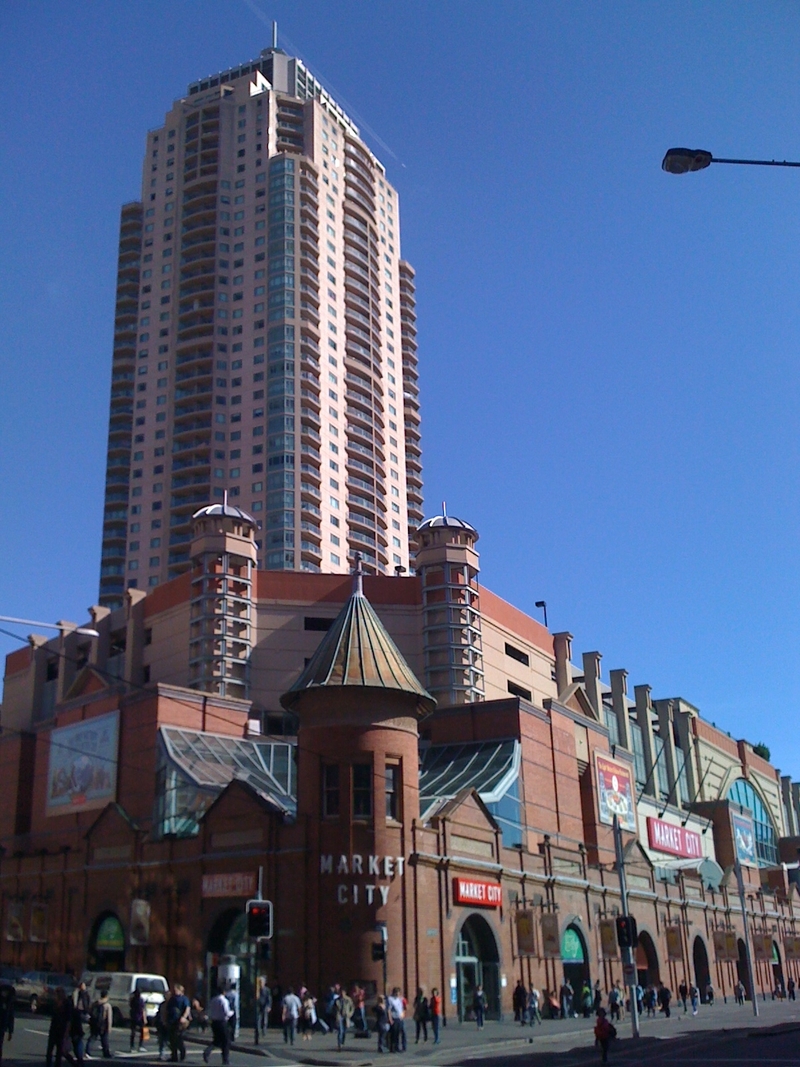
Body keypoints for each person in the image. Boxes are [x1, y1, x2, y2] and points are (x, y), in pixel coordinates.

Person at [203, 988, 233, 1065]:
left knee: (216, 1040)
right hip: (222, 1022)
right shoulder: (223, 1000)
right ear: (223, 992)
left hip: (214, 1022)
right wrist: (232, 1013)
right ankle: (225, 1059)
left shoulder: (213, 1000)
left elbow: (209, 1011)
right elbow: (226, 1012)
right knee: (226, 1041)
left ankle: (207, 1051)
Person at [47, 988, 72, 1067]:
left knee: (59, 1050)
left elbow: (68, 1019)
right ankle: (48, 1064)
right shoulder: (55, 1003)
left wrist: (67, 1032)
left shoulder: (66, 1003)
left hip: (62, 1029)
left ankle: (57, 1065)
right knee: (50, 1049)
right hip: (54, 1028)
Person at [166, 983, 191, 1062]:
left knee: (178, 1038)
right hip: (171, 1021)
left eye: (176, 989)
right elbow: (167, 1009)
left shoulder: (184, 999)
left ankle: (182, 1053)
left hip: (179, 1022)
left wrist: (184, 1017)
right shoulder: (172, 999)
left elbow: (187, 1009)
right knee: (172, 1039)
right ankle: (174, 1056)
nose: (175, 991)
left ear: (181, 990)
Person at [87, 991, 112, 1060]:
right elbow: (109, 1017)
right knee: (104, 1039)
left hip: (95, 1023)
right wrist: (109, 1027)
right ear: (106, 996)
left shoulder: (95, 1003)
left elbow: (90, 1011)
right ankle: (106, 1053)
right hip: (103, 1024)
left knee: (92, 1037)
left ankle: (87, 1051)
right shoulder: (107, 1005)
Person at [386, 987, 405, 1052]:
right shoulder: (390, 999)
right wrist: (390, 1019)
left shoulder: (399, 999)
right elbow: (389, 1010)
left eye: (398, 993)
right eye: (396, 993)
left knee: (398, 1033)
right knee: (393, 1034)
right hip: (394, 1018)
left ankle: (397, 1047)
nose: (397, 994)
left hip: (399, 1018)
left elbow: (401, 1008)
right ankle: (392, 1047)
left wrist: (402, 1016)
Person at [0, 981, 14, 1066]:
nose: (5, 993)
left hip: (2, 1026)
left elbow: (10, 1017)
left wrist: (10, 1031)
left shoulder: (8, 1003)